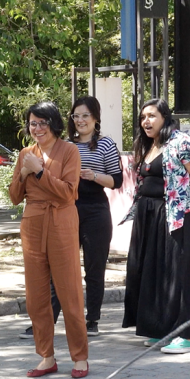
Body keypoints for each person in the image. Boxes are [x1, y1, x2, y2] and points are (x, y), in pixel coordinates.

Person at [19, 96, 123, 340]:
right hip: (65, 208)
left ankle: (92, 320)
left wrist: (93, 175)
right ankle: (47, 321)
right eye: (76, 116)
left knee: (94, 267)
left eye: (86, 115)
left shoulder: (106, 144)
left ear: (96, 118)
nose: (80, 120)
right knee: (58, 268)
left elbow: (117, 180)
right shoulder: (63, 145)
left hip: (95, 209)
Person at [122, 98, 190, 354]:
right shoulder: (149, 145)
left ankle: (187, 335)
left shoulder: (182, 142)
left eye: (151, 116)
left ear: (164, 117)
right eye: (142, 117)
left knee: (178, 274)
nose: (146, 121)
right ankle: (161, 328)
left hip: (176, 216)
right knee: (154, 272)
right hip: (149, 217)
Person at [9, 101, 89, 378]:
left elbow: (68, 193)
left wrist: (40, 172)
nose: (37, 128)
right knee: (36, 296)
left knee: (69, 293)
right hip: (33, 223)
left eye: (43, 122)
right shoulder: (25, 153)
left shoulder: (70, 151)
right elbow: (14, 196)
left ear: (54, 123)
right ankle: (46, 356)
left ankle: (80, 357)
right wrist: (23, 172)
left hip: (62, 222)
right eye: (33, 123)